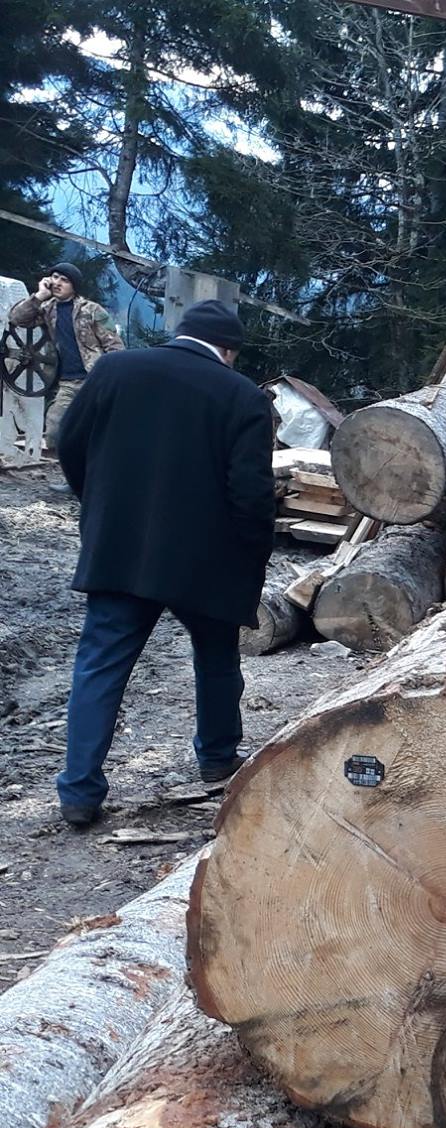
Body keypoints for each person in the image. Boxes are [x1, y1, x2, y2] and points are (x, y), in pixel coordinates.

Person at [53, 298, 274, 828]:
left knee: (101, 664)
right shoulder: (242, 395)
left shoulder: (114, 368)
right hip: (207, 559)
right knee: (217, 658)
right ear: (228, 351)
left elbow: (69, 444)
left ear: (181, 333)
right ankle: (217, 758)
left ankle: (79, 791)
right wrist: (252, 555)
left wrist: (99, 508)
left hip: (121, 549)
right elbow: (250, 492)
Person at [7, 261, 122, 450]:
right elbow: (17, 318)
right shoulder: (47, 309)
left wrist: (110, 379)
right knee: (54, 431)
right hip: (68, 383)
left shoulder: (92, 310)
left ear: (74, 286)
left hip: (95, 380)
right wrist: (40, 296)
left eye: (64, 280)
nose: (58, 283)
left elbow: (115, 347)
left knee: (101, 429)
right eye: (55, 277)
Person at [0, 273, 45, 466]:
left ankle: (30, 454)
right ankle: (7, 450)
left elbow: (19, 325)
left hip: (23, 362)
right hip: (13, 359)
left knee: (28, 405)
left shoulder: (9, 287)